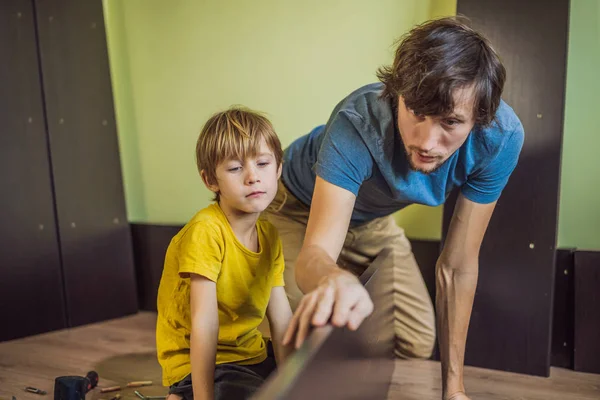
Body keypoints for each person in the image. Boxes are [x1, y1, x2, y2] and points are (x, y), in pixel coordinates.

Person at [264, 17, 524, 400]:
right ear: (396, 93)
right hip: (294, 207)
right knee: (303, 342)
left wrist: (454, 391)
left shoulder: (500, 139)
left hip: (371, 219)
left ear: (479, 120)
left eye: (450, 122)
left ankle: (348, 276)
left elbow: (457, 265)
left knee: (417, 340)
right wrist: (330, 276)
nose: (427, 141)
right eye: (416, 111)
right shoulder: (356, 121)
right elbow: (314, 256)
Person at [156, 107, 293, 400]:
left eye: (263, 163)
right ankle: (187, 393)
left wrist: (295, 382)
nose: (252, 177)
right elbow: (204, 326)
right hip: (201, 363)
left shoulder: (269, 236)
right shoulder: (206, 231)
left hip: (247, 353)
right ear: (211, 181)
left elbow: (281, 319)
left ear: (278, 169)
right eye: (235, 168)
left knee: (312, 372)